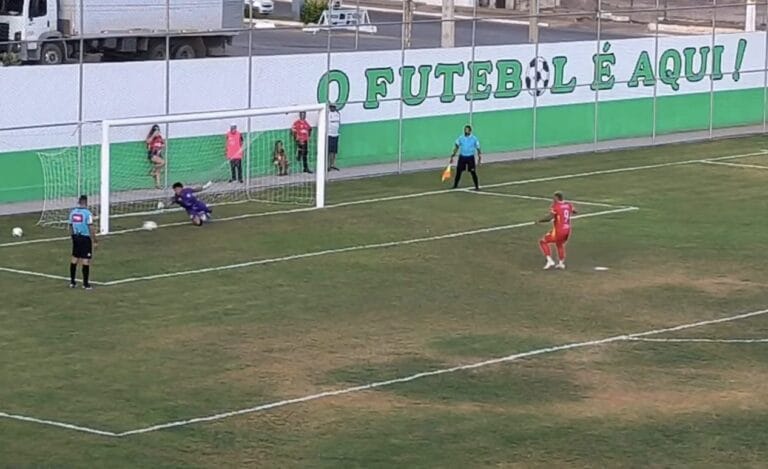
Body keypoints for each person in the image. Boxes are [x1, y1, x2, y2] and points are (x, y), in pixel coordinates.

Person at [536, 191, 577, 270]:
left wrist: (540, 221)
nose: (553, 199)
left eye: (554, 198)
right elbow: (575, 211)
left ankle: (549, 260)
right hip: (567, 230)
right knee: (559, 244)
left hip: (559, 230)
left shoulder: (556, 206)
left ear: (557, 198)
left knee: (543, 241)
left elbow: (549, 218)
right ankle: (561, 263)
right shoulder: (568, 205)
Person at [68, 195, 97, 290]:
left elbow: (70, 225)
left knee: (74, 259)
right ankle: (85, 284)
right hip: (85, 238)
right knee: (85, 260)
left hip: (76, 237)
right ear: (86, 202)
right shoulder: (87, 213)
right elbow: (91, 227)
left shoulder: (73, 212)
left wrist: (72, 236)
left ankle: (72, 282)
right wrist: (95, 240)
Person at [449, 125, 481, 191]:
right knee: (458, 172)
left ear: (470, 131)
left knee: (473, 172)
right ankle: (455, 185)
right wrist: (453, 155)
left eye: (467, 130)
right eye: (465, 129)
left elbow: (478, 148)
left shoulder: (474, 139)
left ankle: (477, 186)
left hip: (470, 158)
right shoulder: (461, 138)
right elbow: (456, 147)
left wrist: (479, 157)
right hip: (462, 157)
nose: (465, 131)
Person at [146, 124, 166, 189]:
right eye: (156, 131)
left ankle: (158, 185)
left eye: (158, 131)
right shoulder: (151, 137)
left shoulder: (160, 137)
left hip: (159, 154)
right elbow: (147, 141)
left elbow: (163, 144)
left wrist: (162, 146)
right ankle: (152, 170)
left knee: (158, 171)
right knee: (163, 162)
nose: (157, 132)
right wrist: (153, 135)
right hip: (152, 154)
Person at [327, 104, 341, 171]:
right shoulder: (327, 114)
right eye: (331, 107)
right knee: (329, 151)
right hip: (329, 134)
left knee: (334, 151)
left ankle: (332, 164)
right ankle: (328, 165)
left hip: (336, 134)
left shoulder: (338, 113)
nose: (333, 108)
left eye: (334, 107)